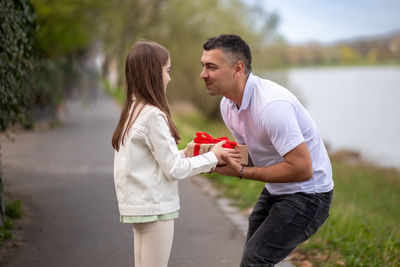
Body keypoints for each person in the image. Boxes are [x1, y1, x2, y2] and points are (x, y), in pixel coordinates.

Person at [200, 34, 334, 267]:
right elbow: (251, 156)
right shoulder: (227, 104)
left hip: (310, 195)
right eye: (203, 66)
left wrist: (241, 173)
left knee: (256, 258)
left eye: (211, 67)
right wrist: (212, 158)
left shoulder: (272, 106)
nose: (203, 74)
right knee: (252, 259)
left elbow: (303, 169)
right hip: (277, 189)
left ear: (237, 68)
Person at [111, 41, 240, 267]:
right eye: (167, 71)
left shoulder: (133, 111)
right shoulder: (153, 116)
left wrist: (186, 154)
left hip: (138, 208)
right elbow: (174, 170)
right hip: (157, 210)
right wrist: (214, 156)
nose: (169, 78)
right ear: (151, 73)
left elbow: (157, 163)